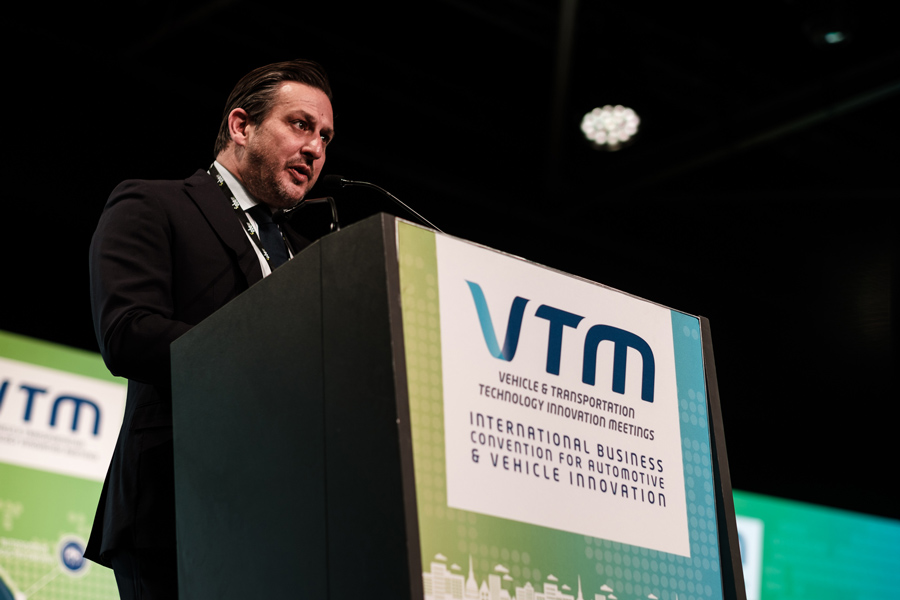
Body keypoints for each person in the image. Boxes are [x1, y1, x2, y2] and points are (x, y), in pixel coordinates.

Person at [84, 59, 335, 599]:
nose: (315, 148)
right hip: (177, 505)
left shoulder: (313, 258)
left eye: (324, 137)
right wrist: (266, 359)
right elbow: (128, 332)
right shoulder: (155, 204)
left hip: (290, 520)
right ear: (241, 126)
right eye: (300, 125)